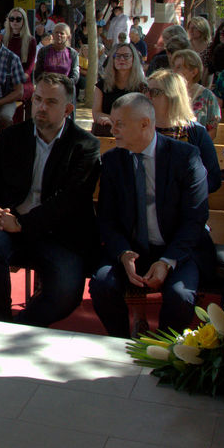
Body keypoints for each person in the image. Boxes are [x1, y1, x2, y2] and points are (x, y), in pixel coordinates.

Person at [0, 73, 101, 326]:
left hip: (60, 235)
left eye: (51, 102)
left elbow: (69, 202)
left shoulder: (85, 145)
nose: (42, 107)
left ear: (68, 109)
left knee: (67, 293)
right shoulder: (12, 137)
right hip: (11, 227)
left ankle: (22, 326)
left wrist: (22, 224)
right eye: (38, 99)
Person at [88, 93, 213, 338]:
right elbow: (107, 218)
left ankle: (163, 347)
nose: (113, 130)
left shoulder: (186, 157)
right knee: (102, 285)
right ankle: (120, 343)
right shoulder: (113, 161)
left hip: (177, 250)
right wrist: (123, 253)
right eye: (113, 123)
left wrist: (167, 261)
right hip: (132, 249)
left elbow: (195, 219)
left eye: (120, 124)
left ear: (145, 124)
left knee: (180, 296)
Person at [145, 69, 222, 192]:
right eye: (146, 90)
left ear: (172, 97)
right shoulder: (140, 129)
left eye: (154, 92)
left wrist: (185, 192)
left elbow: (213, 178)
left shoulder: (196, 132)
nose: (147, 96)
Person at [92, 42, 146, 135]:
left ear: (133, 59)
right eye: (117, 56)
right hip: (107, 132)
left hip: (133, 133)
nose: (121, 59)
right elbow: (96, 113)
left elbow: (144, 115)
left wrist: (114, 121)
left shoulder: (142, 87)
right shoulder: (101, 86)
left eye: (126, 56)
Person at [171, 49, 220, 137]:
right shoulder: (168, 94)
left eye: (179, 67)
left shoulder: (208, 96)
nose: (173, 71)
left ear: (194, 72)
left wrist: (199, 143)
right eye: (173, 67)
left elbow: (213, 131)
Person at [34, 22, 80, 86]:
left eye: (62, 33)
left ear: (68, 37)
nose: (59, 35)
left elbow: (75, 75)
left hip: (65, 87)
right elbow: (38, 73)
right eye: (56, 32)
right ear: (52, 35)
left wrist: (66, 84)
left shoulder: (73, 53)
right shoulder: (43, 51)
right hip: (47, 86)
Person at [3, 7, 37, 86]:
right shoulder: (3, 39)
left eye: (18, 19)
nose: (14, 22)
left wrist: (21, 78)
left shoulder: (31, 41)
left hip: (22, 80)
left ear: (23, 21)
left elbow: (30, 66)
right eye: (12, 19)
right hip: (5, 79)